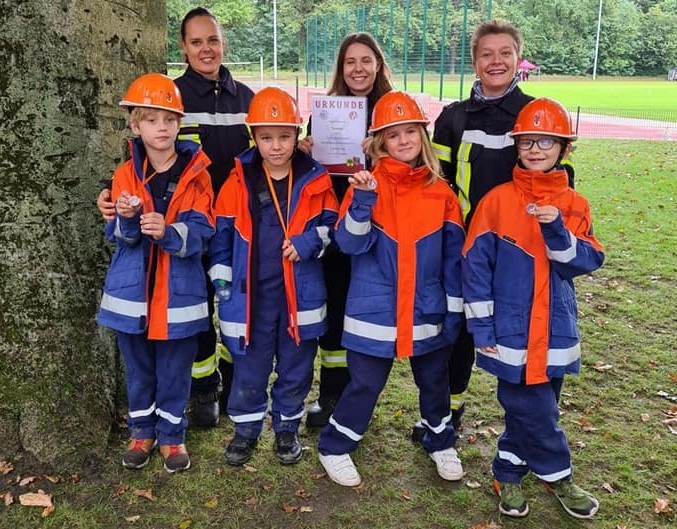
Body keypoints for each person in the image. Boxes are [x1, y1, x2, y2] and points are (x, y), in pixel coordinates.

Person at [98, 7, 254, 428]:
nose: (206, 49)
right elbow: (142, 158)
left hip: (235, 226)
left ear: (223, 43)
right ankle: (202, 389)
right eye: (196, 41)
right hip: (182, 223)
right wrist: (111, 192)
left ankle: (235, 382)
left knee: (236, 304)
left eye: (213, 40)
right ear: (183, 47)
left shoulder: (247, 99)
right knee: (192, 308)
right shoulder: (171, 97)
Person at [420, 20, 575, 441]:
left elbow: (560, 182)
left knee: (528, 332)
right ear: (474, 61)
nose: (496, 61)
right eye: (486, 54)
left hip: (521, 253)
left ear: (517, 58)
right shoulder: (453, 118)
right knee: (456, 336)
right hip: (465, 250)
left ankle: (530, 428)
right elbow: (435, 183)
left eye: (505, 53)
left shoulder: (536, 113)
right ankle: (447, 413)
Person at [462, 97, 604, 519]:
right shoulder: (496, 201)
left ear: (564, 147)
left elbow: (586, 261)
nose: (536, 149)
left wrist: (555, 229)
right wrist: (482, 328)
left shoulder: (575, 204)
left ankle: (507, 470)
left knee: (536, 406)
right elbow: (474, 268)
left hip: (556, 327)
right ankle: (559, 474)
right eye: (527, 141)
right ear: (517, 145)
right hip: (510, 331)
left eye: (546, 141)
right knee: (531, 406)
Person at [317, 91, 466, 487]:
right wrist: (363, 201)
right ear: (379, 142)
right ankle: (334, 446)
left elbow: (453, 259)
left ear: (422, 136)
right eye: (393, 134)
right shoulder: (366, 185)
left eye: (410, 132)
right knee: (365, 384)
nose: (403, 140)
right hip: (375, 312)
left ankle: (440, 441)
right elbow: (348, 244)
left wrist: (454, 309)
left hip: (426, 308)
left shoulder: (442, 193)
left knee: (434, 382)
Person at [208, 87, 339, 466]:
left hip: (301, 295)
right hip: (251, 298)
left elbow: (334, 227)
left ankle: (286, 429)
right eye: (267, 137)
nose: (276, 146)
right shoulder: (237, 182)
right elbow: (221, 236)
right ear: (254, 137)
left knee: (296, 367)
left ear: (297, 135)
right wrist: (223, 285)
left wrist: (309, 241)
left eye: (284, 136)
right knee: (249, 368)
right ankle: (246, 431)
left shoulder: (316, 180)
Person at [97, 73, 215, 473]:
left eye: (168, 119)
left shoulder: (198, 173)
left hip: (178, 294)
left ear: (179, 123)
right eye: (151, 120)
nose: (161, 128)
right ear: (135, 126)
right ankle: (141, 433)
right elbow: (119, 237)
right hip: (132, 296)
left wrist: (169, 232)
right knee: (139, 371)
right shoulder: (123, 175)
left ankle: (172, 437)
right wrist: (127, 220)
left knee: (174, 371)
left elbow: (203, 231)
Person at [298, 32, 395, 428]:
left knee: (370, 312)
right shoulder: (324, 113)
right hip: (335, 226)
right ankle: (331, 395)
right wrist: (303, 154)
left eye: (366, 60)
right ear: (341, 68)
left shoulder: (394, 111)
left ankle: (361, 398)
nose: (358, 69)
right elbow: (310, 176)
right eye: (350, 61)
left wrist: (380, 156)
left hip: (380, 228)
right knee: (335, 308)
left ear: (378, 64)